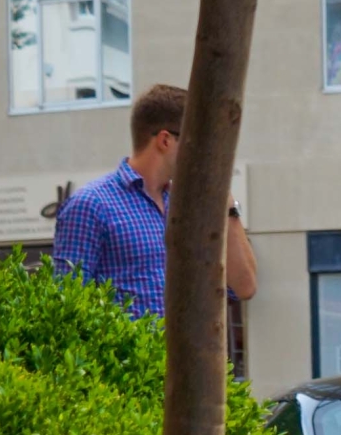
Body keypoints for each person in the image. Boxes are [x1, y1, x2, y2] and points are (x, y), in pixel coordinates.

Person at [51, 83, 258, 319]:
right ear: (165, 141)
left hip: (191, 357)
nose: (205, 152)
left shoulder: (192, 208)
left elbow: (244, 287)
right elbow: (66, 305)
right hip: (132, 356)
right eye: (197, 142)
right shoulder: (91, 205)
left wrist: (226, 203)